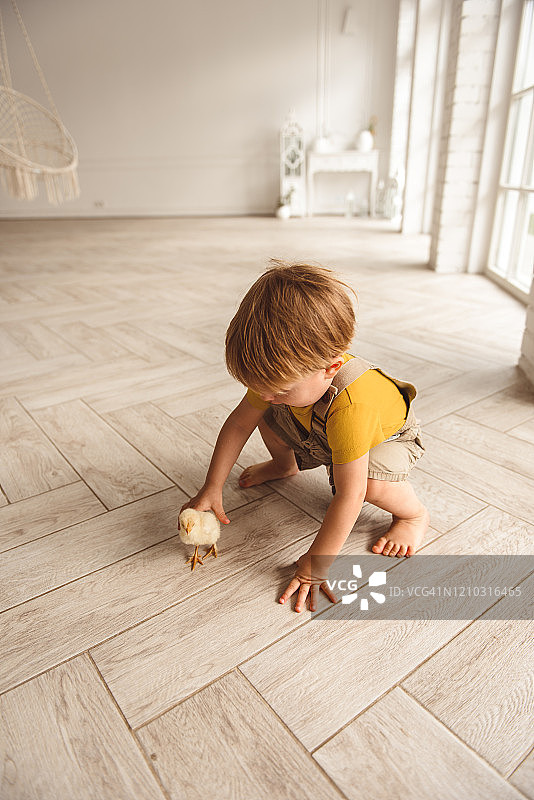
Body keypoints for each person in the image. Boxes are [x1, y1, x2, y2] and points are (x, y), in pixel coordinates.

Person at [179, 260, 429, 614]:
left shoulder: (353, 408)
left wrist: (318, 562)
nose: (265, 396)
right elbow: (238, 424)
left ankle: (413, 516)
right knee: (262, 412)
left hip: (386, 441)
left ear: (331, 368)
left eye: (278, 389)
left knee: (369, 483)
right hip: (322, 423)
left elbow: (350, 495)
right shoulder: (279, 382)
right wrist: (212, 486)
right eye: (259, 388)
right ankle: (286, 465)